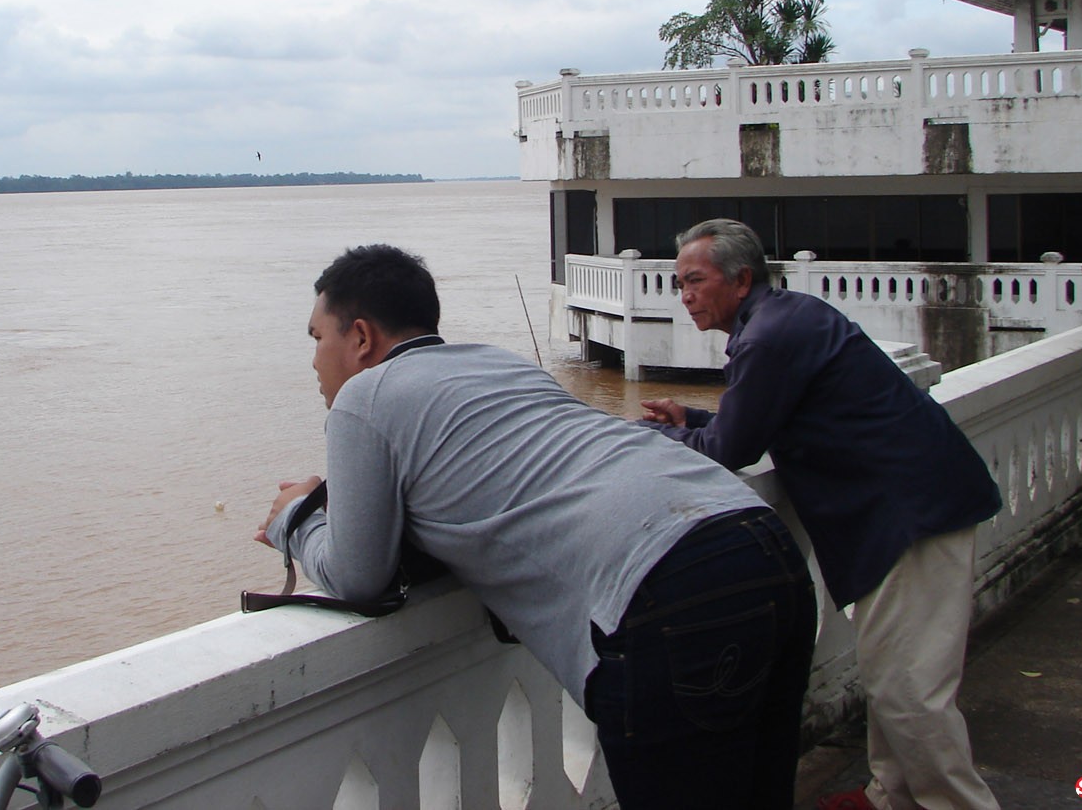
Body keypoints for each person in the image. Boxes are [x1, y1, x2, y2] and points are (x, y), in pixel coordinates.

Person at [257, 243, 817, 810]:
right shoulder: (501, 363)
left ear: (359, 337)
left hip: (665, 589)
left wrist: (297, 519)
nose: (313, 360)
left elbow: (358, 575)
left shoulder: (363, 398)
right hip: (761, 542)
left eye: (316, 338)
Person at [640, 219, 1002, 810]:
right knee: (892, 668)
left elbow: (731, 452)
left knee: (909, 687)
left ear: (740, 279)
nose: (684, 295)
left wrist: (652, 441)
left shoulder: (765, 339)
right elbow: (753, 424)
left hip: (907, 516)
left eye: (695, 280)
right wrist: (693, 419)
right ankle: (893, 795)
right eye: (678, 283)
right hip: (911, 503)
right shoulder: (786, 315)